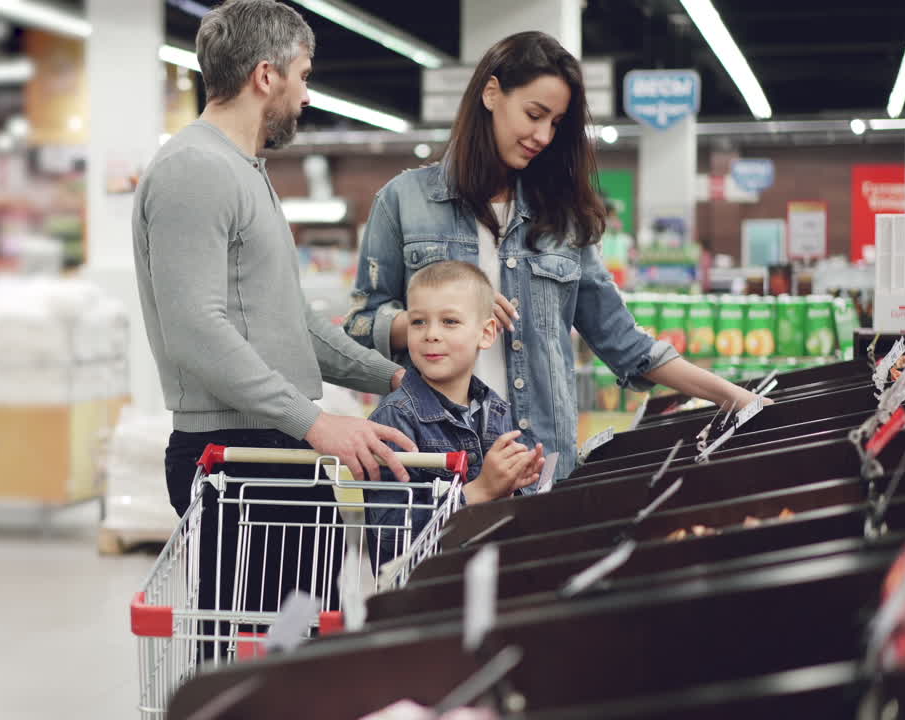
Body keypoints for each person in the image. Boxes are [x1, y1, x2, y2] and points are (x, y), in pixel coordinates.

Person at [345, 31, 768, 482]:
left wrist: (738, 398)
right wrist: (437, 319)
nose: (543, 135)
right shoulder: (405, 201)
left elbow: (626, 344)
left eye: (556, 123)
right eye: (534, 114)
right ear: (491, 93)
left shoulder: (563, 219)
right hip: (437, 466)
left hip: (539, 465)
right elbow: (358, 324)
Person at [132, 0, 414, 642]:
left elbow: (294, 323)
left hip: (273, 452)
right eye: (304, 75)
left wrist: (394, 378)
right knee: (249, 649)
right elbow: (196, 331)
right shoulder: (195, 171)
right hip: (238, 461)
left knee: (291, 638)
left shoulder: (242, 169)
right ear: (267, 76)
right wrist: (313, 421)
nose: (307, 95)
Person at [364, 262, 544, 565]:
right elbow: (391, 539)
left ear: (486, 333)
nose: (431, 334)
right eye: (418, 322)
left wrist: (515, 485)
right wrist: (480, 490)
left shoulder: (495, 408)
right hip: (422, 599)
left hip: (482, 584)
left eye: (449, 321)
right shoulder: (394, 419)